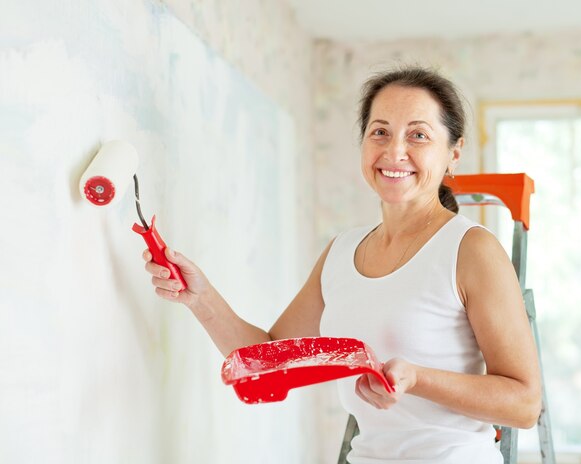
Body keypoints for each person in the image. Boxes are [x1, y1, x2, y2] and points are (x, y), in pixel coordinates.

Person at [142, 65, 541, 463]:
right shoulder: (341, 252)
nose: (394, 151)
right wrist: (201, 298)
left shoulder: (471, 249)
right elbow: (264, 360)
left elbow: (524, 405)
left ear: (453, 154)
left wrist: (418, 379)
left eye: (418, 135)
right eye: (379, 132)